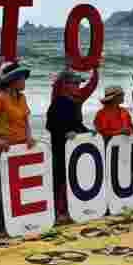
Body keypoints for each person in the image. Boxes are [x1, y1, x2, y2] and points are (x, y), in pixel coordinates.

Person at [46, 70, 92, 222]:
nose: (78, 86)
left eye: (79, 83)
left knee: (72, 177)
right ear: (66, 85)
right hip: (60, 147)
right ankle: (59, 212)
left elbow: (77, 125)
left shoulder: (73, 102)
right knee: (60, 179)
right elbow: (50, 125)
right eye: (75, 83)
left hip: (73, 148)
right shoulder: (58, 101)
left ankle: (71, 209)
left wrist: (89, 132)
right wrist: (65, 133)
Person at [0, 61, 37, 153]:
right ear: (12, 80)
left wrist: (29, 137)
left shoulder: (22, 97)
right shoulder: (0, 98)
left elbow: (26, 121)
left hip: (23, 145)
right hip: (6, 147)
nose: (24, 81)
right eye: (21, 78)